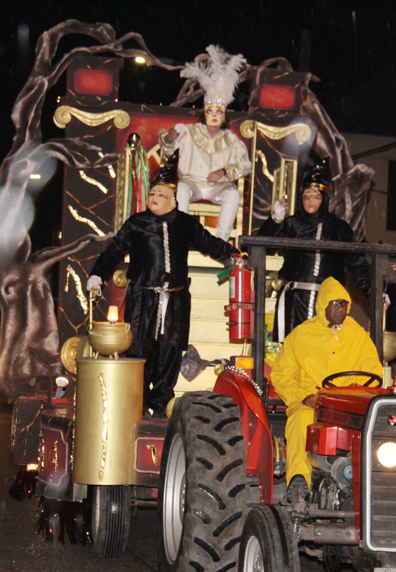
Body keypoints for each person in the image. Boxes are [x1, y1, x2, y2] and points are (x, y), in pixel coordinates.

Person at [88, 160, 239, 416]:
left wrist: (235, 256)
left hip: (175, 302)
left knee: (169, 354)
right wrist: (97, 276)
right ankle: (135, 408)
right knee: (138, 353)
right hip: (142, 300)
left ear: (173, 200)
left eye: (161, 194)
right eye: (152, 193)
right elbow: (114, 251)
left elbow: (210, 244)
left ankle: (159, 411)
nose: (155, 197)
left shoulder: (185, 223)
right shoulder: (136, 223)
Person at [270, 277, 382, 502]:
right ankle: (298, 479)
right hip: (313, 406)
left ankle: (371, 484)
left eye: (344, 304)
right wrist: (304, 397)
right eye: (335, 303)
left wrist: (356, 388)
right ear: (323, 306)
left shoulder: (358, 336)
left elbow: (374, 371)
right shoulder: (300, 336)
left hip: (348, 406)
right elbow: (281, 375)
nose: (340, 308)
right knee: (301, 420)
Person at [257, 160, 372, 342]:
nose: (311, 201)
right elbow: (263, 246)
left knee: (324, 350)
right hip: (295, 301)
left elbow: (357, 266)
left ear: (324, 199)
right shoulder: (292, 224)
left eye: (316, 196)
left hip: (328, 304)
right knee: (294, 348)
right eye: (307, 196)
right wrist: (275, 220)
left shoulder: (339, 228)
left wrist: (376, 293)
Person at [158, 45, 250, 241]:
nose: (214, 116)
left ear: (224, 116)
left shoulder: (232, 141)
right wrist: (168, 140)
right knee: (181, 189)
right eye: (210, 111)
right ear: (204, 113)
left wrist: (223, 172)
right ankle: (179, 239)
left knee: (233, 195)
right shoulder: (187, 132)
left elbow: (244, 166)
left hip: (219, 188)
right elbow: (166, 156)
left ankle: (220, 242)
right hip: (192, 183)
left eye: (218, 112)